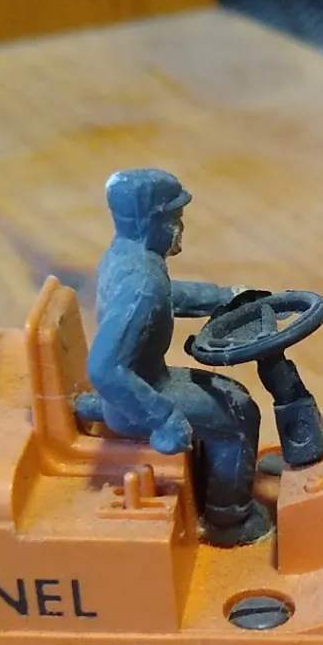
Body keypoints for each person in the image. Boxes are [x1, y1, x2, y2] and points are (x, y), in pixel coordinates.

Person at [81, 168, 270, 545]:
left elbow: (169, 295)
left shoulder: (126, 256)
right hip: (140, 400)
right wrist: (163, 419)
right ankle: (229, 518)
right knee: (239, 415)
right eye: (174, 219)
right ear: (150, 221)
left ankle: (211, 480)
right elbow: (103, 367)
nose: (180, 228)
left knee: (229, 392)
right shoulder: (143, 282)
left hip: (148, 381)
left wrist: (224, 297)